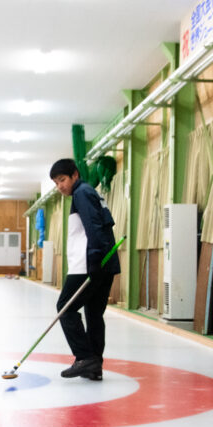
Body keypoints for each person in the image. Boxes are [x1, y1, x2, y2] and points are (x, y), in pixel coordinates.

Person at [49, 158, 120, 380]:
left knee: (65, 307)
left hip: (88, 265)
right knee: (93, 314)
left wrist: (95, 260)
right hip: (103, 264)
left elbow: (95, 227)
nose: (60, 186)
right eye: (56, 182)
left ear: (75, 175)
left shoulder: (82, 193)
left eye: (62, 179)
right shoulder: (89, 192)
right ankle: (94, 365)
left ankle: (84, 357)